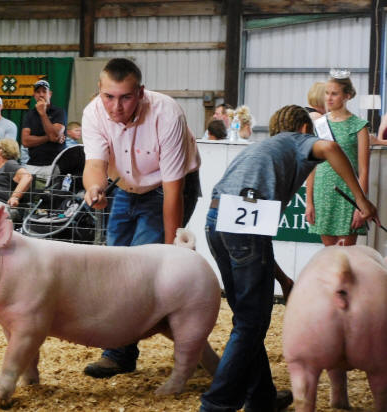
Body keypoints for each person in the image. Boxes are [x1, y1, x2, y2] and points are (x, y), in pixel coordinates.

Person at [200, 104, 378, 412]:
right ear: (305, 129)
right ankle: (216, 405)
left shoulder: (263, 148)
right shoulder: (297, 140)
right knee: (251, 323)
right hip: (244, 223)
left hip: (217, 220)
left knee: (247, 318)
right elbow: (331, 148)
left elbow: (254, 231)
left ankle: (261, 399)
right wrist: (361, 200)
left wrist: (282, 278)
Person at [81, 58, 201, 378]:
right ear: (99, 90)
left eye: (125, 97)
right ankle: (123, 352)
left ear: (141, 93)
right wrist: (94, 188)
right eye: (109, 97)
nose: (116, 107)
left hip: (169, 187)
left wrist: (171, 252)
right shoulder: (93, 113)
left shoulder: (167, 113)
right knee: (115, 267)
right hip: (124, 186)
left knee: (138, 271)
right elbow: (94, 164)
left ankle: (125, 352)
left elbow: (173, 191)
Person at [306, 72, 370, 246]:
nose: (328, 98)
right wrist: (309, 201)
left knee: (346, 253)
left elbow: (364, 170)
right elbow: (312, 165)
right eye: (327, 93)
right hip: (323, 191)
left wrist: (360, 204)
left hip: (349, 193)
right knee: (329, 253)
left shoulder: (359, 126)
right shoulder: (319, 124)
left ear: (347, 96)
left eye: (334, 94)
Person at [21, 79, 66, 180]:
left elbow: (54, 136)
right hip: (33, 165)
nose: (41, 94)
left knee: (52, 191)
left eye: (44, 91)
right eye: (38, 92)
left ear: (50, 94)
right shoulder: (29, 115)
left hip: (54, 165)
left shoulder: (59, 112)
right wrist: (48, 137)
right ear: (34, 95)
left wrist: (43, 113)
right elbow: (25, 141)